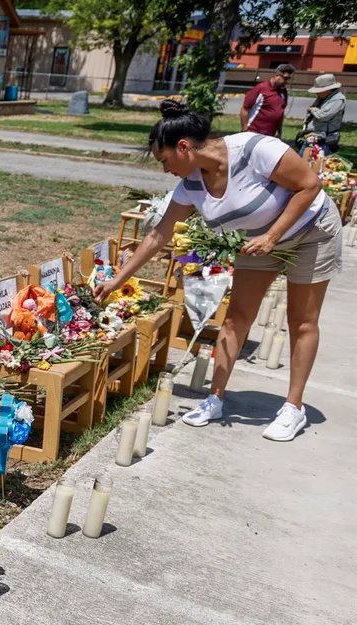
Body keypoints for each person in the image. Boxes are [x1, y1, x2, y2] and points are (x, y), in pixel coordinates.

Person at [96, 100, 343, 442]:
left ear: (183, 147)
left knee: (301, 320)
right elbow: (158, 236)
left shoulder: (255, 149)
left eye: (165, 160)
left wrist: (273, 235)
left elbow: (310, 185)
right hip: (259, 241)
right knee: (236, 317)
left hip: (311, 230)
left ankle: (293, 407)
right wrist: (116, 281)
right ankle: (216, 398)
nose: (166, 170)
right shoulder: (191, 185)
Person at [300, 73, 346, 157]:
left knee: (316, 164)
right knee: (303, 160)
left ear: (328, 89)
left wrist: (312, 109)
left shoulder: (338, 99)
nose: (317, 93)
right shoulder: (323, 97)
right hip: (312, 136)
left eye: (319, 91)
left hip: (323, 139)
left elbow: (323, 115)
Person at [241, 64, 293, 138]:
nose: (287, 81)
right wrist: (245, 129)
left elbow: (280, 113)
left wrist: (279, 132)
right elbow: (245, 108)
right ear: (277, 75)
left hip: (270, 136)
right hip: (253, 132)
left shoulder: (283, 92)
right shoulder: (261, 88)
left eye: (288, 79)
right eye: (285, 78)